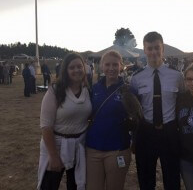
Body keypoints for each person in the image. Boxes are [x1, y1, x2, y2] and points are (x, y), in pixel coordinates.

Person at [130, 31, 185, 190]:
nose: (153, 52)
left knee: (172, 178)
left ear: (163, 49)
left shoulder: (176, 76)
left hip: (170, 131)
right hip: (146, 132)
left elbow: (181, 101)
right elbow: (134, 110)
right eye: (150, 48)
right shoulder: (136, 78)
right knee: (146, 179)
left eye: (157, 48)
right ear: (144, 50)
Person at [37, 53, 92, 190]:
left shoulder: (87, 90)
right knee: (49, 185)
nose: (76, 70)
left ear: (84, 68)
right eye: (72, 67)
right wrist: (53, 155)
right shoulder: (55, 91)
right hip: (56, 146)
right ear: (65, 70)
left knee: (75, 185)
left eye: (79, 66)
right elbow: (46, 126)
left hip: (79, 146)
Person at [86, 51, 132, 190]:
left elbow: (136, 118)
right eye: (107, 64)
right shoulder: (93, 89)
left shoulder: (129, 90)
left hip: (118, 149)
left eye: (115, 64)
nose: (111, 68)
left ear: (121, 66)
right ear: (101, 66)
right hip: (93, 148)